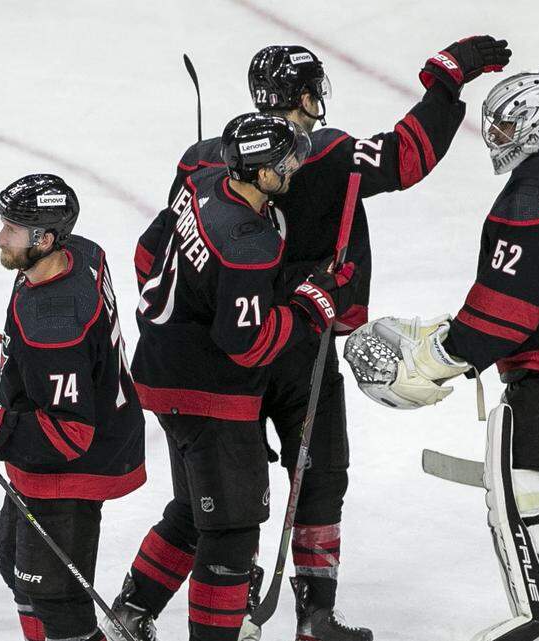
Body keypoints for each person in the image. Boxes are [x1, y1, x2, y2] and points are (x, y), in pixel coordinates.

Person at [121, 38, 510, 640]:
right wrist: (446, 78)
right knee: (314, 478)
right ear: (307, 95)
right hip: (296, 346)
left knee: (210, 507)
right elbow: (410, 153)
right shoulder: (329, 155)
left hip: (226, 356)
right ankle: (313, 615)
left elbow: (153, 252)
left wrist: (179, 322)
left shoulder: (205, 159)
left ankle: (141, 610)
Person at [345, 71, 539, 641]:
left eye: (505, 123)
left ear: (533, 125)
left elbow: (505, 312)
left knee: (531, 490)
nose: (495, 134)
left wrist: (441, 354)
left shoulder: (529, 204)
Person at [110, 112, 359, 641]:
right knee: (231, 528)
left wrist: (181, 323)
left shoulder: (201, 182)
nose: (293, 168)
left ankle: (129, 614)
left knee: (193, 508)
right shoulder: (247, 240)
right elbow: (248, 345)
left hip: (162, 373)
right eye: (284, 163)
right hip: (207, 393)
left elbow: (146, 252)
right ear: (260, 174)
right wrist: (308, 309)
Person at [0, 174, 146, 641]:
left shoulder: (54, 322)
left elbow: (68, 435)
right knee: (14, 561)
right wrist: (28, 356)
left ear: (45, 239)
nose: (0, 237)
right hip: (89, 429)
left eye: (12, 229)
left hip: (77, 464)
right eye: (2, 222)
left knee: (55, 594)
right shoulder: (81, 252)